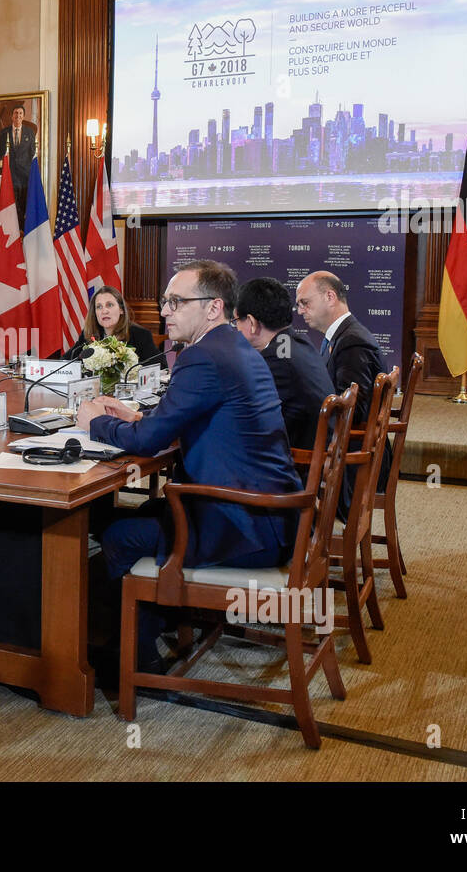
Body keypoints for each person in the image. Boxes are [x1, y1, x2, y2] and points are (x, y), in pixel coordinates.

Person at [77, 260, 300, 670]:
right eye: (165, 302)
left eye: (175, 302)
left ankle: (135, 661)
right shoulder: (233, 347)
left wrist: (97, 423)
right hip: (273, 515)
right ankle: (146, 630)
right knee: (145, 511)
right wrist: (136, 418)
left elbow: (147, 445)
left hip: (244, 526)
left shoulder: (203, 358)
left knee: (118, 537)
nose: (164, 311)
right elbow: (187, 422)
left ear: (213, 308)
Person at [295, 270, 391, 517]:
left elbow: (352, 411)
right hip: (350, 450)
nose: (300, 311)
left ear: (330, 297)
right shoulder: (341, 336)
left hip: (354, 461)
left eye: (305, 303)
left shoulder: (351, 342)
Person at [234, 277, 334, 452]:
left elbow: (245, 419)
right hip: (320, 464)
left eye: (236, 321)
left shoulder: (275, 361)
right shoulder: (297, 342)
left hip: (301, 469)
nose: (235, 328)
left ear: (251, 322)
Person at [65, 285, 159, 365]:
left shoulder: (141, 335)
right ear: (95, 313)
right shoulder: (88, 335)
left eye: (109, 305)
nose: (104, 311)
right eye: (99, 307)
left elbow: (160, 367)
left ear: (121, 309)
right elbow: (64, 362)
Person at [0, 103, 37, 222]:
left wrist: (35, 172)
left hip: (25, 176)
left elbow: (32, 154)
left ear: (23, 116)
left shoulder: (30, 132)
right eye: (16, 113)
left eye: (20, 113)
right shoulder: (4, 132)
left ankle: (22, 234)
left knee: (24, 207)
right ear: (12, 116)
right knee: (12, 207)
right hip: (11, 176)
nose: (18, 115)